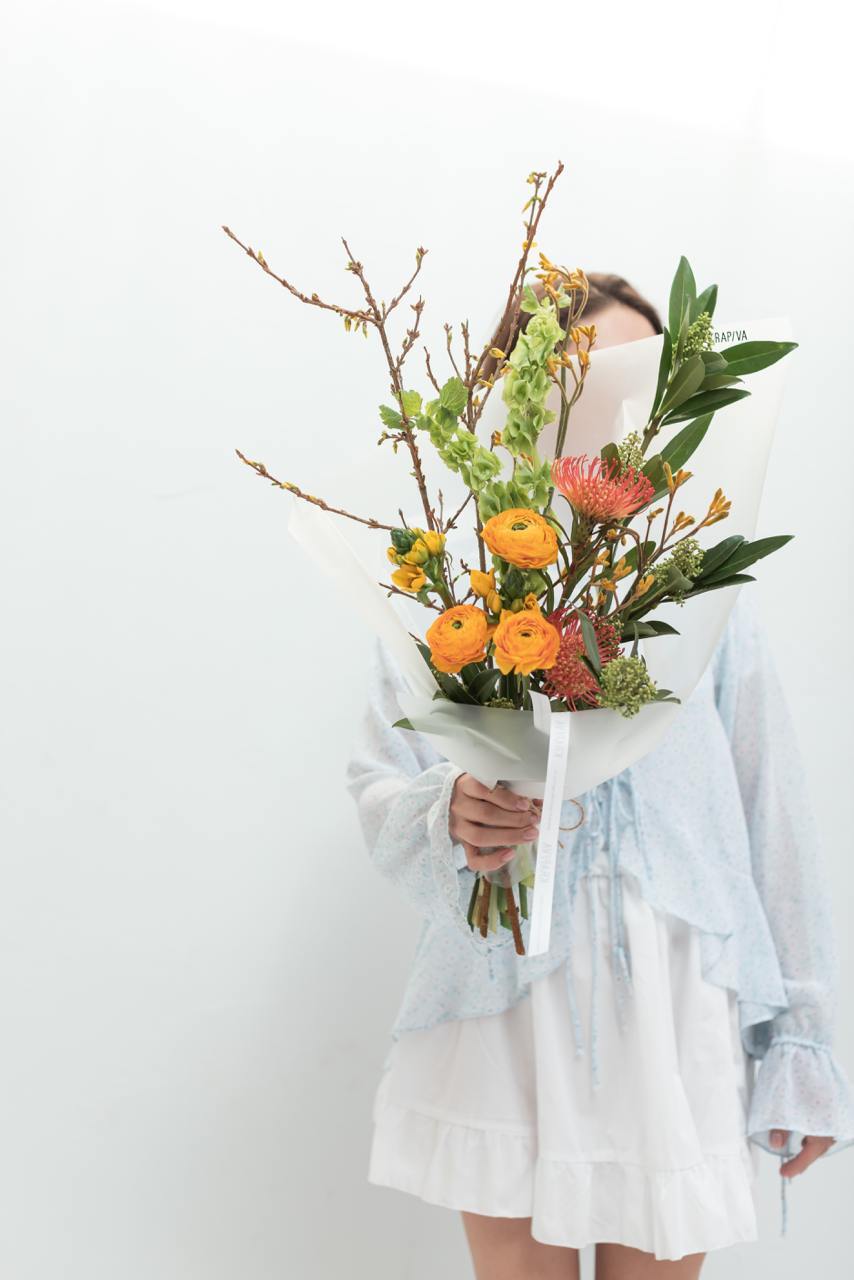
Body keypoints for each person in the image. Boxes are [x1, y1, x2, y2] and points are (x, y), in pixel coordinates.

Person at [345, 273, 854, 1279]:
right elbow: (381, 775)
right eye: (594, 375)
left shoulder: (702, 590)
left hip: (677, 993)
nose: (621, 406)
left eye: (646, 379)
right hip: (502, 992)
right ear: (524, 393)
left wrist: (801, 1034)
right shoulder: (452, 584)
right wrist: (451, 811)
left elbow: (770, 803)